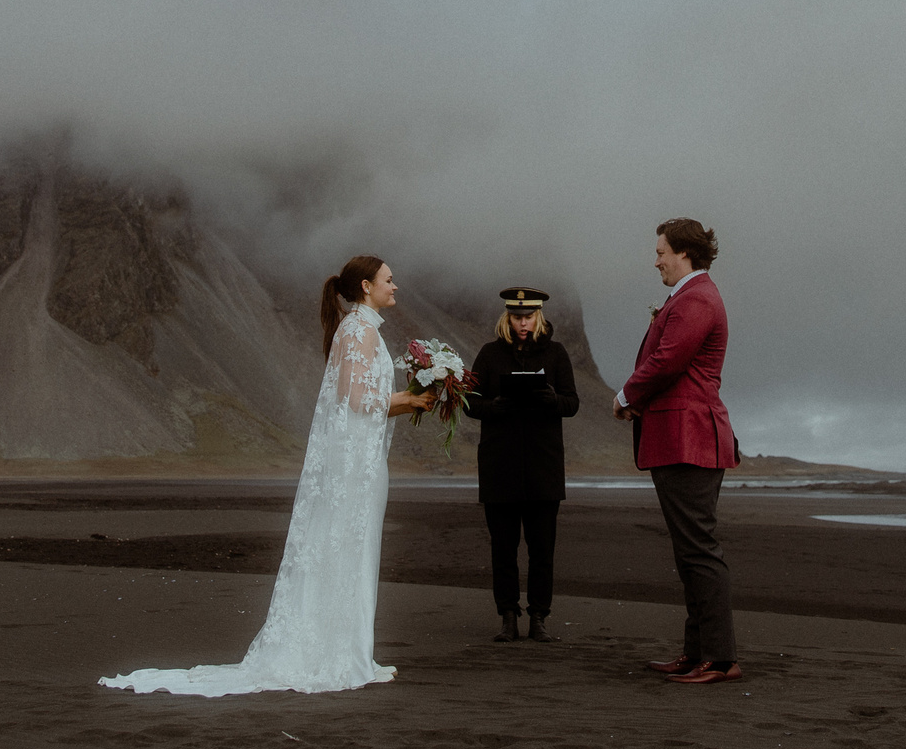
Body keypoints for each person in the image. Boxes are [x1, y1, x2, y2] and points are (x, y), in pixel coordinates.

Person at [99, 255, 434, 695]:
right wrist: (407, 400)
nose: (396, 286)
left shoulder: (360, 329)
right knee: (347, 550)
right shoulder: (359, 331)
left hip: (359, 461)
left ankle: (350, 650)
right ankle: (338, 655)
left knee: (350, 550)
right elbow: (353, 397)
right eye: (390, 280)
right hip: (354, 467)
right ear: (367, 287)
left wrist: (406, 399)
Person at [613, 218, 739, 684]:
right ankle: (697, 651)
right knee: (690, 552)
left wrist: (626, 397)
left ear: (684, 253)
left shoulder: (698, 298)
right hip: (679, 438)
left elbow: (668, 360)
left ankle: (721, 658)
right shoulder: (688, 297)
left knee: (700, 551)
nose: (656, 259)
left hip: (692, 438)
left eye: (661, 251)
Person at [462, 285, 581, 644]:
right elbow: (467, 401)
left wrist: (552, 399)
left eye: (528, 316)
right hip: (500, 465)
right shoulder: (489, 354)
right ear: (507, 317)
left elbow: (573, 403)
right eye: (516, 317)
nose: (522, 323)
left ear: (538, 316)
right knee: (504, 547)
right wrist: (492, 407)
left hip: (543, 467)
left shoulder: (557, 354)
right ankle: (508, 617)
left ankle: (540, 618)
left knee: (543, 548)